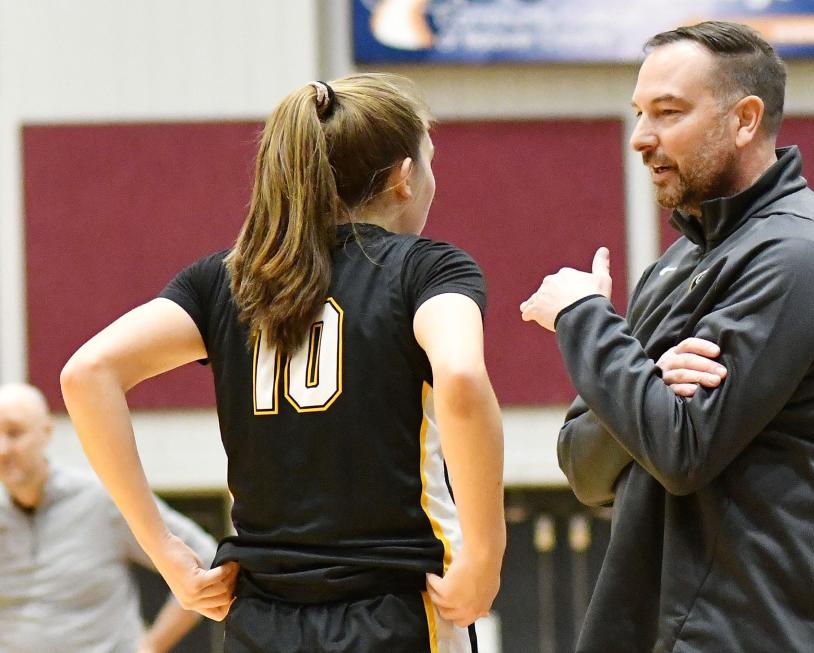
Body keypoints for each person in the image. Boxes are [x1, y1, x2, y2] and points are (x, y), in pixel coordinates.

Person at [60, 73, 505, 653]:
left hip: (259, 620)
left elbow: (86, 374)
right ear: (403, 176)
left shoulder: (229, 279)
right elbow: (464, 377)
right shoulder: (427, 268)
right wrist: (486, 556)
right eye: (430, 159)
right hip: (397, 608)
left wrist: (163, 548)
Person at [521, 21, 814, 653]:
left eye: (668, 112)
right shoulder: (676, 266)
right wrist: (652, 377)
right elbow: (584, 465)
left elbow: (681, 449)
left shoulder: (798, 258)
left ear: (744, 120)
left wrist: (584, 319)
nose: (640, 138)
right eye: (639, 113)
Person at [0, 382, 218, 653]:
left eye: (14, 433)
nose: (3, 449)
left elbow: (204, 556)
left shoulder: (101, 498)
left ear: (46, 432)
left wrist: (151, 646)